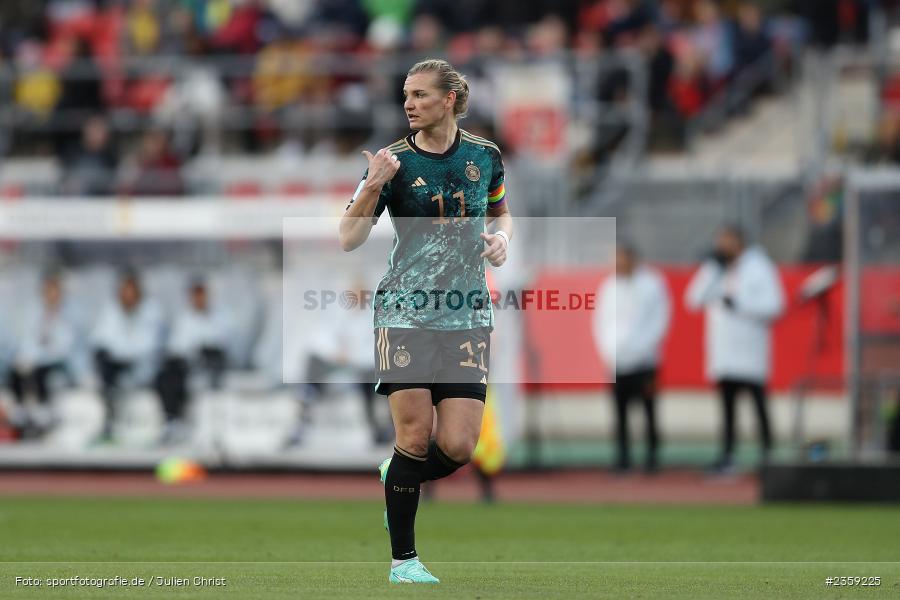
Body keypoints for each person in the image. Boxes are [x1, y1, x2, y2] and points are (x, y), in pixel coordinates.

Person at [338, 58, 512, 584]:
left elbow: (501, 210)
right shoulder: (391, 161)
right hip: (405, 312)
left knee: (459, 446)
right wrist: (372, 186)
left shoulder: (486, 156)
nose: (408, 103)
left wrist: (503, 238)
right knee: (414, 436)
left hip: (466, 314)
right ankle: (404, 562)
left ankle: (398, 476)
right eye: (405, 94)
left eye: (418, 94)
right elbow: (348, 238)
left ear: (450, 100)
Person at [685, 225, 784, 473]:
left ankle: (767, 457)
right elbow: (693, 301)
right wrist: (712, 272)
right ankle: (728, 456)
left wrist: (739, 304)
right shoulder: (715, 268)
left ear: (739, 241)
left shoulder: (759, 266)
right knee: (727, 410)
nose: (721, 246)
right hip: (724, 352)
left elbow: (775, 305)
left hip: (750, 350)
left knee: (758, 406)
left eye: (726, 240)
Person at [596, 243, 671, 473]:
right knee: (620, 413)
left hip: (646, 362)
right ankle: (623, 459)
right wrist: (608, 350)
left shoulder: (652, 284)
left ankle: (652, 457)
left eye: (621, 258)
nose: (617, 264)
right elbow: (601, 322)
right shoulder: (609, 286)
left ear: (632, 258)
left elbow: (660, 318)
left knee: (649, 410)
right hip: (618, 362)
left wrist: (642, 347)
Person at [91, 271, 164, 442]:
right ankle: (109, 420)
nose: (127, 295)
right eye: (124, 290)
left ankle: (164, 423)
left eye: (131, 290)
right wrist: (117, 354)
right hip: (117, 366)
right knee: (103, 364)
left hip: (144, 367)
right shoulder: (110, 311)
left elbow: (148, 345)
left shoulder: (152, 311)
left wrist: (124, 354)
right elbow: (100, 339)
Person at [155, 279, 229, 445]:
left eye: (201, 295)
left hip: (209, 367)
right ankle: (172, 421)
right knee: (166, 376)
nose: (198, 299)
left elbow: (222, 345)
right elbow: (176, 348)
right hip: (185, 367)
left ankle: (184, 424)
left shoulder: (220, 317)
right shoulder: (184, 319)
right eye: (195, 295)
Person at [6, 271, 77, 439]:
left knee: (40, 374)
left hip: (57, 366)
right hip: (33, 364)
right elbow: (27, 341)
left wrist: (39, 357)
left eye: (54, 290)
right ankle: (21, 416)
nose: (51, 295)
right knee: (17, 372)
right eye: (47, 290)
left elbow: (63, 349)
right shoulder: (34, 313)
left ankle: (43, 418)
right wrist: (27, 358)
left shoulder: (69, 315)